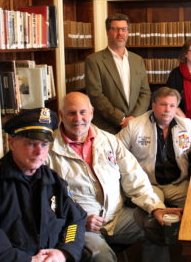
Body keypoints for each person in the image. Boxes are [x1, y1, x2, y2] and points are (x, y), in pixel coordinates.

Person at [47, 92, 182, 262]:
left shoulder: (109, 141)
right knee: (102, 256)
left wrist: (156, 208)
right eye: (71, 113)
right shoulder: (47, 150)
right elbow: (47, 201)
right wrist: (80, 219)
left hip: (116, 218)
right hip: (78, 226)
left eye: (83, 112)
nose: (78, 118)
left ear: (92, 113)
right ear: (61, 115)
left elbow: (135, 177)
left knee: (157, 228)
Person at [0, 108, 87, 262]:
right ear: (11, 143)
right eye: (31, 144)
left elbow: (76, 220)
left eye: (44, 145)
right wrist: (28, 260)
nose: (39, 152)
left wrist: (64, 252)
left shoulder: (53, 180)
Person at [116, 87, 191, 208]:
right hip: (148, 185)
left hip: (177, 185)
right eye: (163, 104)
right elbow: (114, 148)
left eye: (172, 106)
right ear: (153, 105)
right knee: (155, 213)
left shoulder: (185, 125)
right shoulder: (135, 126)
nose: (167, 110)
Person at [85, 13, 151, 134]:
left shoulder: (138, 60)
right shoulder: (94, 61)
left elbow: (145, 93)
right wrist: (121, 119)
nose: (120, 33)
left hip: (135, 127)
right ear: (107, 32)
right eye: (115, 29)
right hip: (107, 128)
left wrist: (134, 117)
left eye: (124, 29)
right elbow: (95, 95)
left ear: (128, 32)